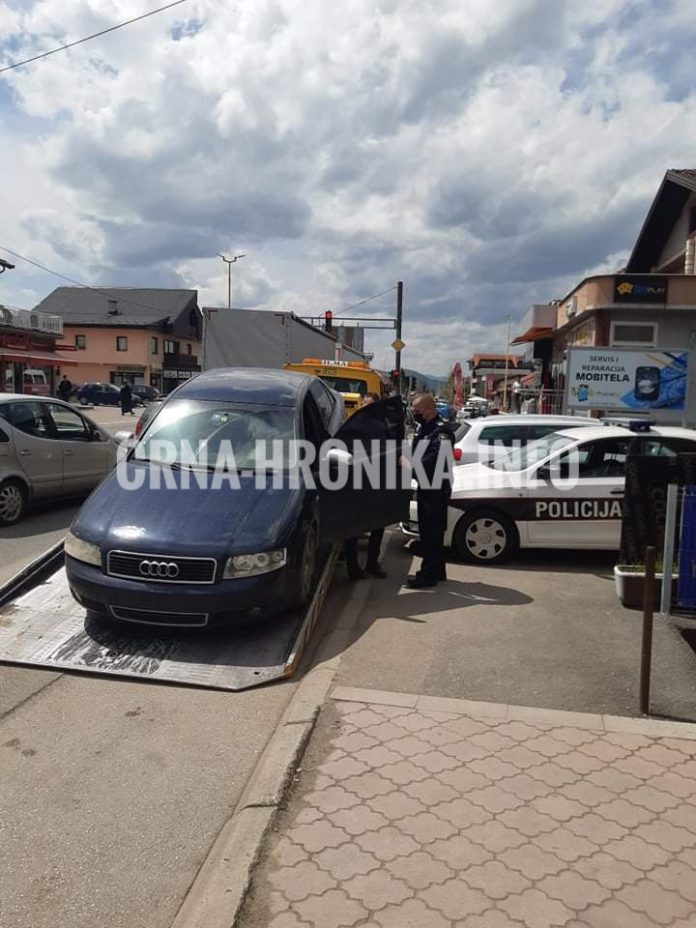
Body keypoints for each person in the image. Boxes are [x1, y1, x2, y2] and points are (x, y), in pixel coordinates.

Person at [407, 393, 454, 589]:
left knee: (431, 533)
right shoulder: (425, 428)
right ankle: (438, 570)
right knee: (431, 531)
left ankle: (427, 575)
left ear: (427, 409)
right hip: (426, 485)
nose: (414, 414)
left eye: (417, 410)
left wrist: (410, 465)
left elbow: (434, 459)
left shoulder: (441, 432)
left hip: (435, 488)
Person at [344, 392, 388, 580]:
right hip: (354, 483)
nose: (365, 408)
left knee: (377, 525)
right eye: (364, 404)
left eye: (370, 405)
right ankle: (353, 568)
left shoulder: (381, 427)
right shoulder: (350, 424)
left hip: (375, 482)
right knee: (352, 528)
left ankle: (371, 563)